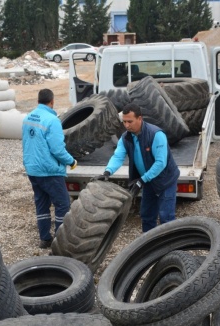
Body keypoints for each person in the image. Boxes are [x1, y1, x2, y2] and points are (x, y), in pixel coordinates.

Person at [95, 103, 179, 232]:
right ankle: (150, 247)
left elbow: (160, 163)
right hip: (149, 181)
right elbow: (118, 157)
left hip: (165, 180)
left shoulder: (156, 134)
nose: (127, 125)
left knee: (166, 218)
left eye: (130, 121)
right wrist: (107, 172)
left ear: (140, 118)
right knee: (146, 216)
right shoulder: (126, 138)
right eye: (124, 122)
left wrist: (142, 179)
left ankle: (171, 249)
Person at [22, 88, 78, 248]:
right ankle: (59, 241)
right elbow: (57, 149)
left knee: (42, 204)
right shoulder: (52, 121)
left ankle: (45, 238)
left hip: (33, 169)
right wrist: (71, 161)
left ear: (38, 101)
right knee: (62, 204)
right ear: (52, 102)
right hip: (49, 171)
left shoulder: (27, 118)